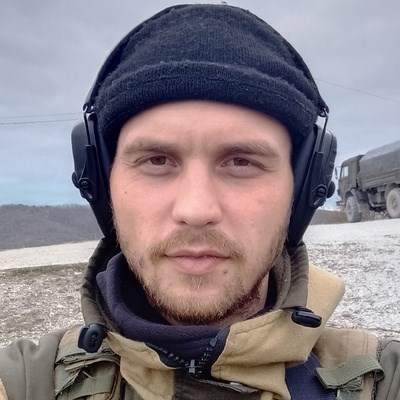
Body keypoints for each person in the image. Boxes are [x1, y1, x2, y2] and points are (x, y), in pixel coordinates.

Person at [0, 4, 399, 399]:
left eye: (241, 161)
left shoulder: (383, 381)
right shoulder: (26, 383)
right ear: (102, 186)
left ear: (303, 190)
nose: (196, 210)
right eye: (157, 160)